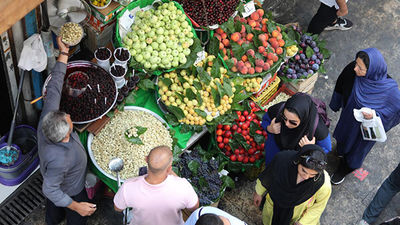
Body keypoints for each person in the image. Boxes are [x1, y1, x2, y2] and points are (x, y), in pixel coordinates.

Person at [38, 36, 96, 225]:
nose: (69, 116)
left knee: (53, 211)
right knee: (74, 217)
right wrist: (76, 206)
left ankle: (53, 219)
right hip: (71, 188)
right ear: (65, 138)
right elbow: (50, 190)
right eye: (69, 121)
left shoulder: (48, 117)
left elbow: (54, 86)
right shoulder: (60, 159)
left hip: (58, 178)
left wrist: (64, 52)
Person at [329, 48, 400, 184]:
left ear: (373, 70)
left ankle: (344, 169)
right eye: (356, 64)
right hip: (348, 121)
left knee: (356, 152)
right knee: (343, 140)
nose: (355, 69)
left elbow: (395, 112)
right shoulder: (352, 71)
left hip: (365, 131)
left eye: (360, 68)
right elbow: (340, 84)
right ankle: (341, 150)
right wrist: (336, 103)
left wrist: (375, 116)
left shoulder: (390, 91)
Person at [113, 145, 199, 225]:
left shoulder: (128, 186)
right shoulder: (183, 187)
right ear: (169, 169)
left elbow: (118, 208)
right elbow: (194, 208)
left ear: (146, 159)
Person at [253, 144, 331, 225]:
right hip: (273, 206)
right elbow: (269, 175)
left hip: (296, 217)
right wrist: (259, 192)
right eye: (303, 171)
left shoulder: (322, 184)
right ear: (298, 161)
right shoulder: (282, 160)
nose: (306, 177)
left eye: (312, 175)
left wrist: (303, 222)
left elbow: (319, 206)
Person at [261, 93, 331, 166]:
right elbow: (265, 119)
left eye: (293, 122)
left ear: (303, 119)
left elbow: (326, 150)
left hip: (296, 159)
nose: (286, 124)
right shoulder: (279, 109)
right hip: (274, 148)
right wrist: (269, 128)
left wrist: (310, 148)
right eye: (284, 118)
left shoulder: (318, 129)